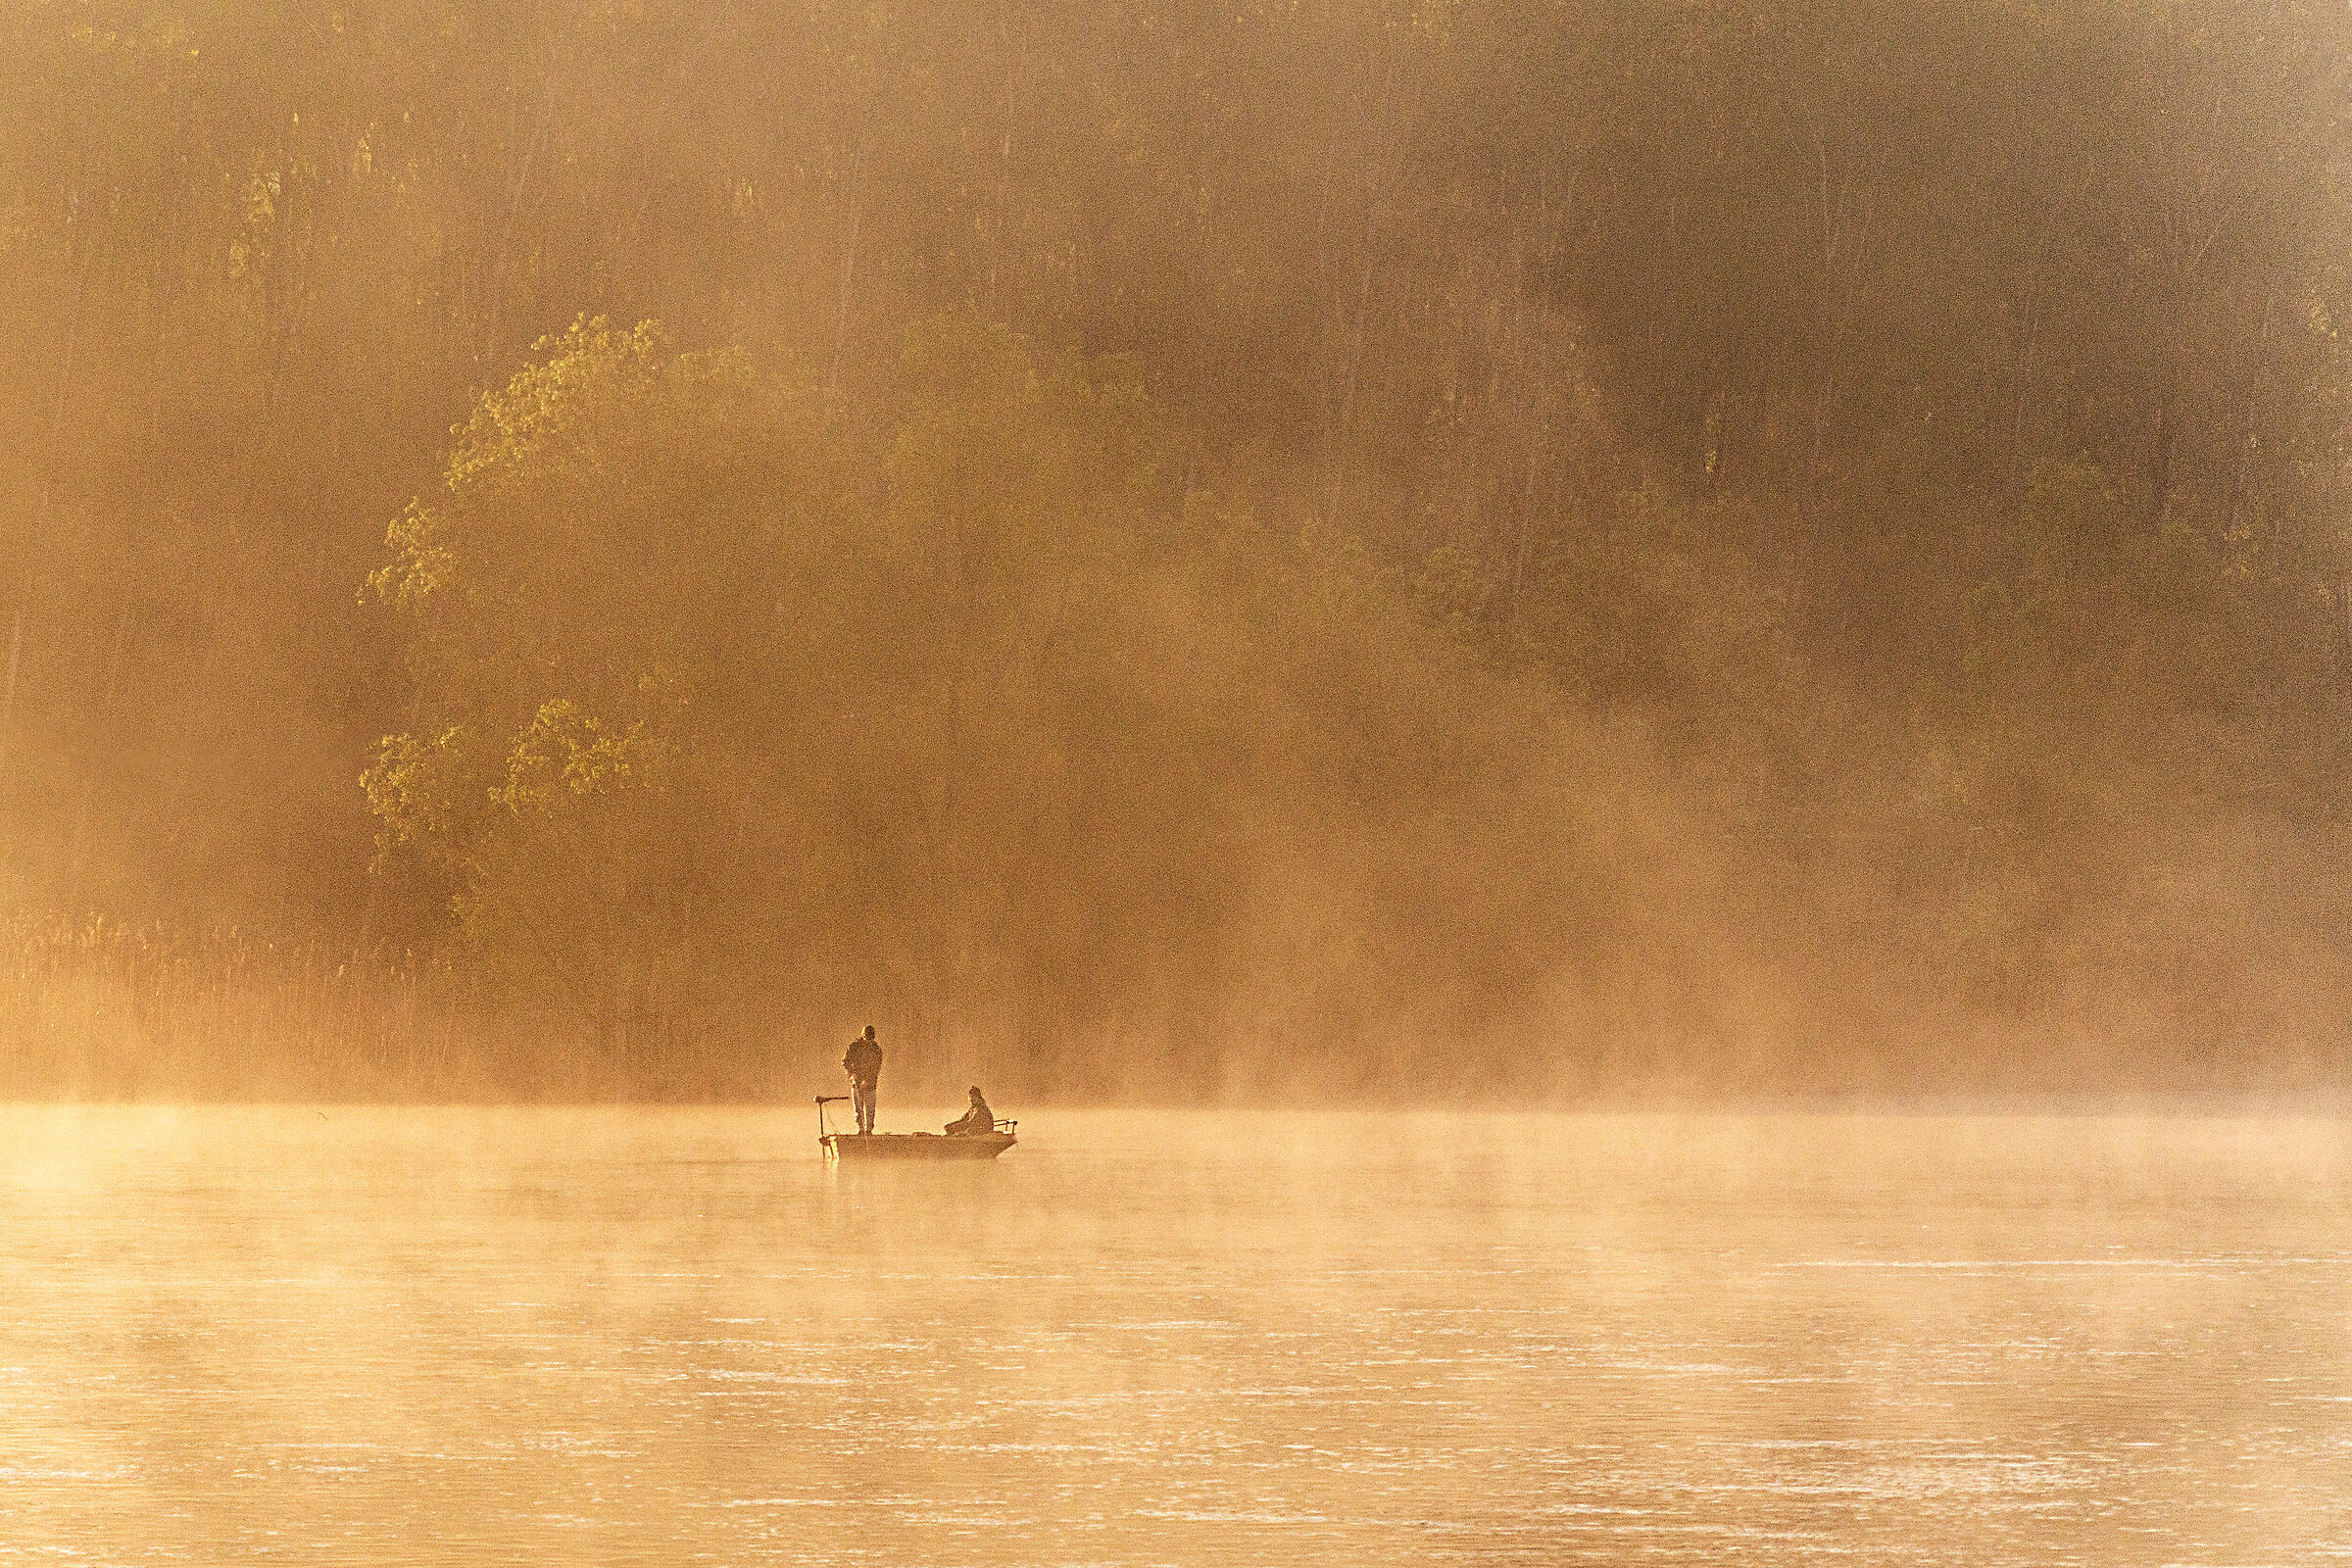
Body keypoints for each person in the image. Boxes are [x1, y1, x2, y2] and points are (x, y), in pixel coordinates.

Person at [842, 1025, 882, 1135]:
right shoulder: (854, 1047)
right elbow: (845, 1062)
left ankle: (868, 1130)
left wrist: (868, 1081)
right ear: (863, 1036)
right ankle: (861, 1130)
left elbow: (876, 1068)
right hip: (856, 1083)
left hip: (871, 1084)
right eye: (867, 1038)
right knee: (858, 1109)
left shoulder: (876, 1049)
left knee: (870, 1109)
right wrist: (851, 1074)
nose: (869, 1041)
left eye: (871, 1039)